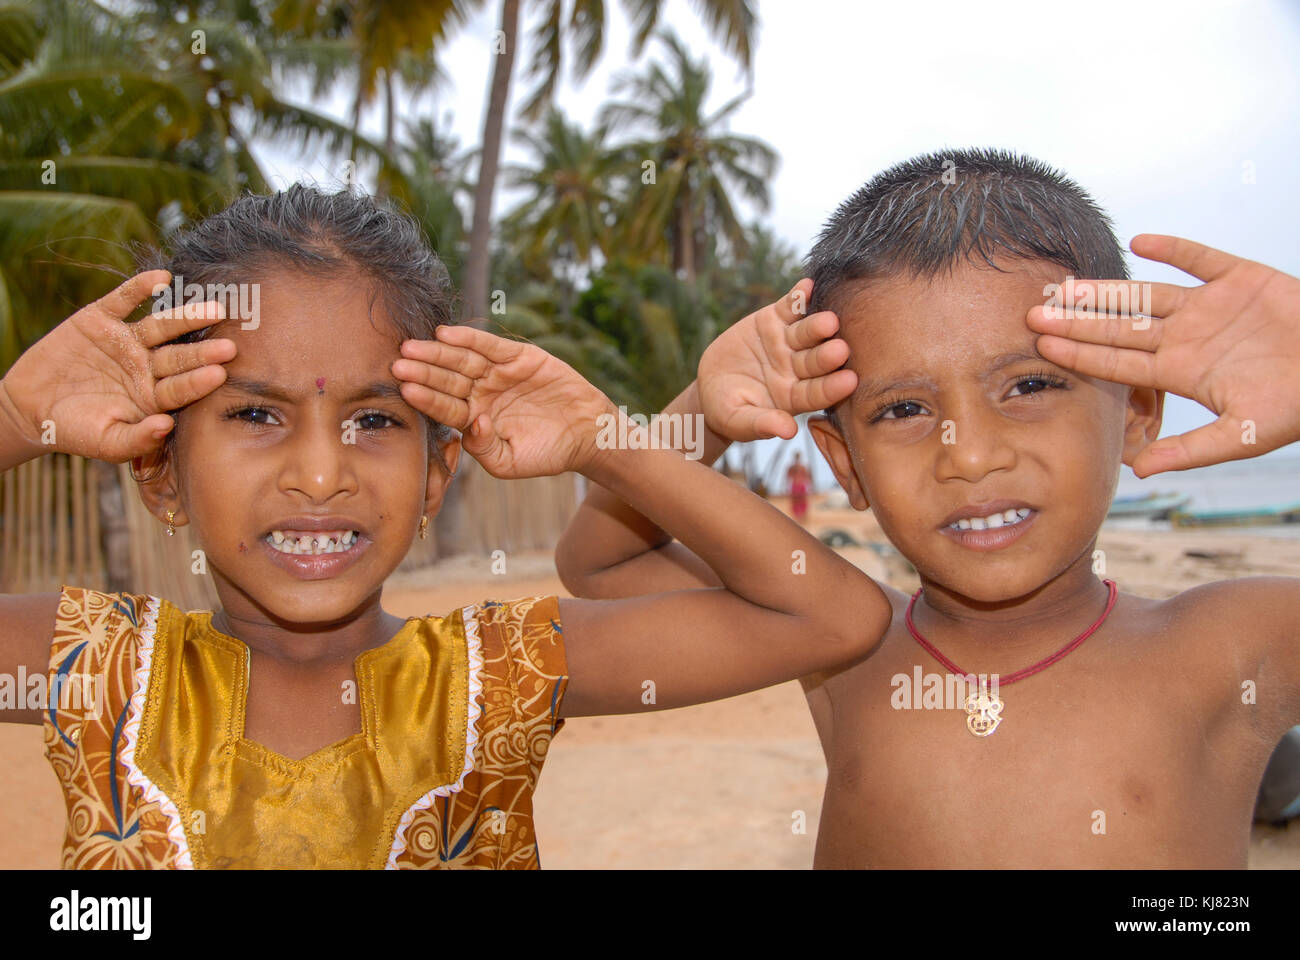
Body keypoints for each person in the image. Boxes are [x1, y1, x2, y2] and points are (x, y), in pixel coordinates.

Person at [0, 186, 892, 869]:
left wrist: (605, 443)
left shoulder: (496, 676)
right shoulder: (98, 667)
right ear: (160, 471)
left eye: (377, 421)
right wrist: (12, 414)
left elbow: (828, 615)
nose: (320, 473)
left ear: (437, 474)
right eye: (255, 417)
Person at [555, 148, 1300, 867]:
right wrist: (712, 413)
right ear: (844, 460)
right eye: (905, 407)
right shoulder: (841, 645)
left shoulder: (1225, 647)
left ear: (1136, 411)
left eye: (1030, 387)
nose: (969, 455)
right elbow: (602, 560)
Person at [786, 452, 811, 523]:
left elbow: (788, 477)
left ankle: (800, 518)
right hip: (799, 485)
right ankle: (800, 518)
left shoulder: (796, 467)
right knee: (799, 502)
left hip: (797, 485)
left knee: (799, 502)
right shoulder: (800, 467)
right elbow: (806, 477)